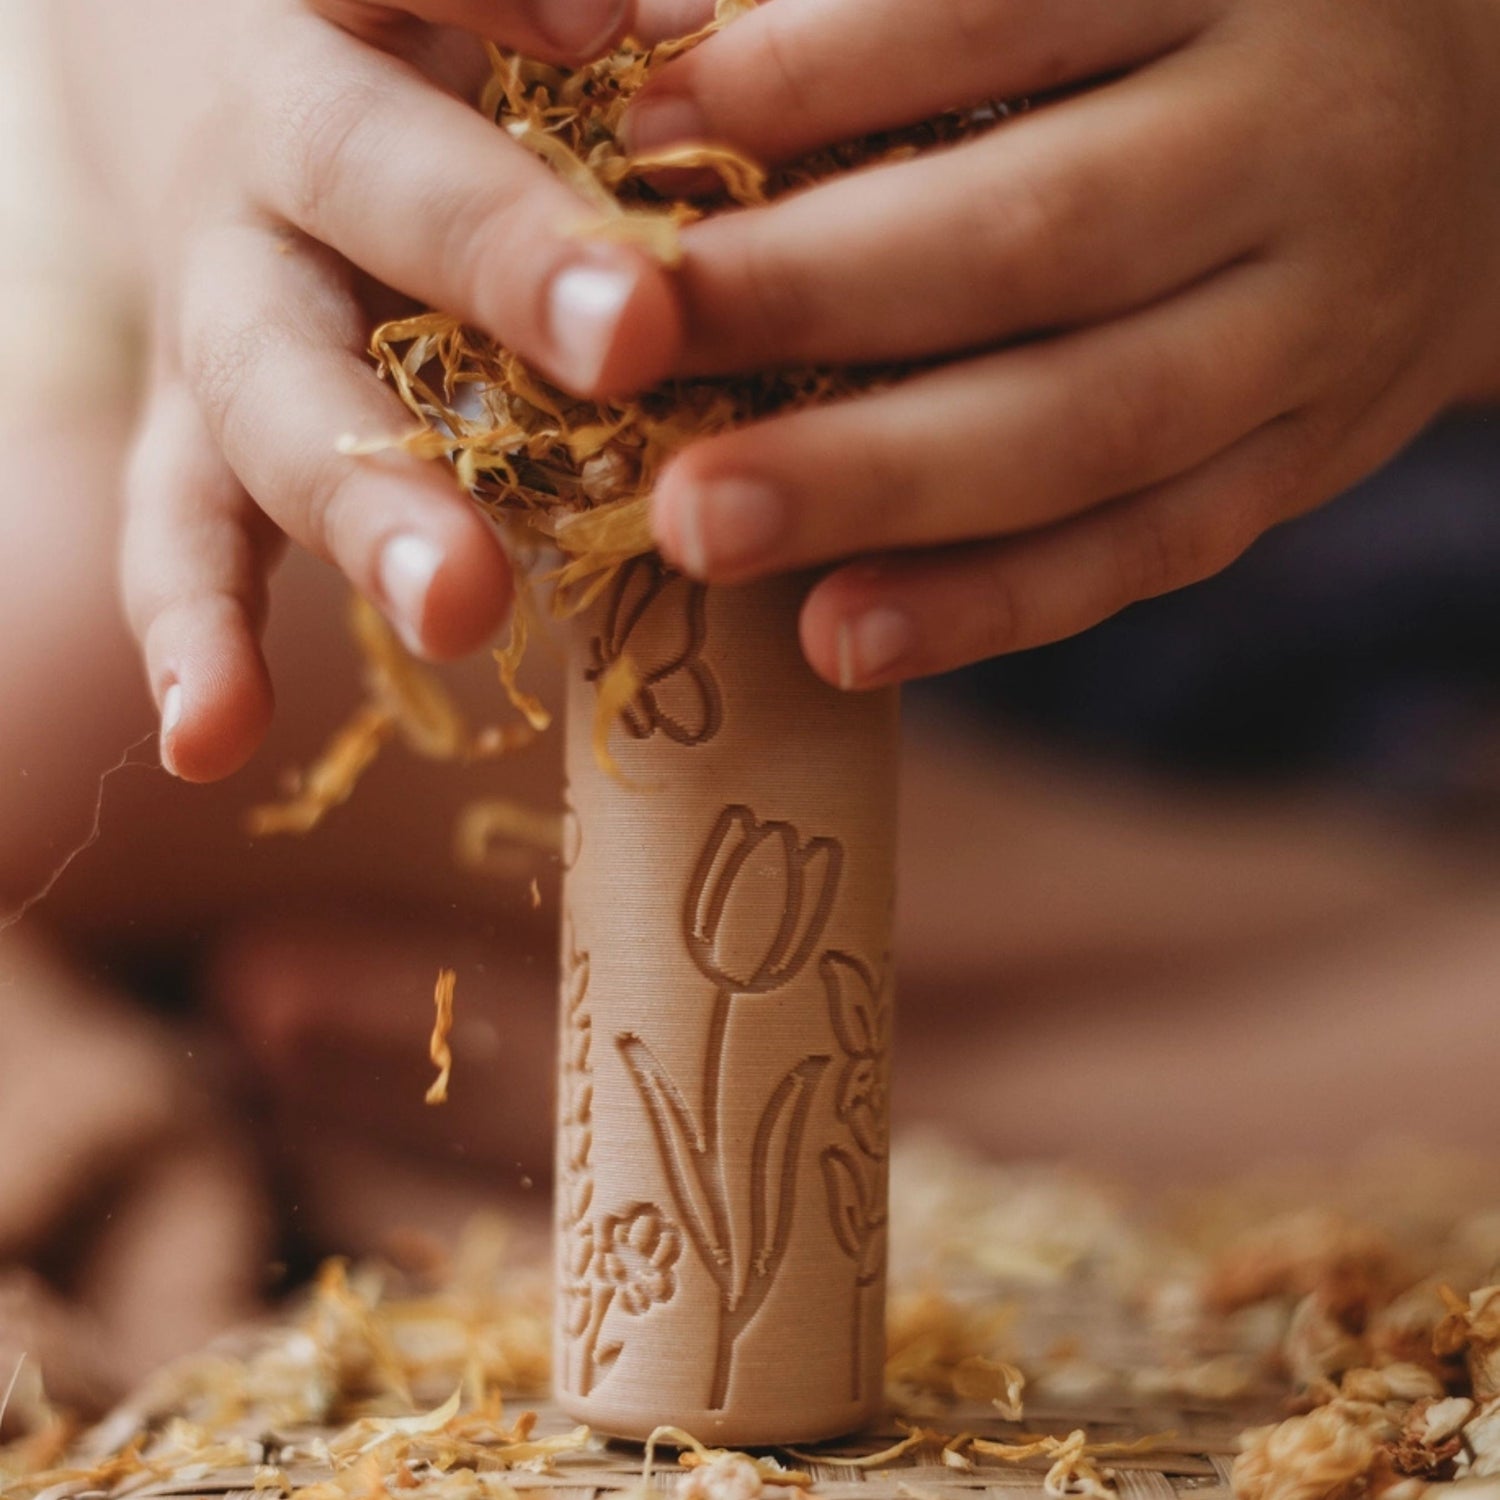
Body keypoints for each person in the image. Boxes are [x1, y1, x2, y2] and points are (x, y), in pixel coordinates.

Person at [3, 0, 1498, 1423]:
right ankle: (1066, 1054)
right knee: (49, 653)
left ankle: (994, 1080)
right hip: (694, 573)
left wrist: (1453, 118)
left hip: (1400, 581)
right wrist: (227, 113)